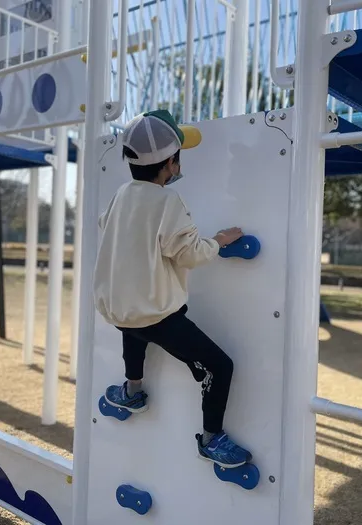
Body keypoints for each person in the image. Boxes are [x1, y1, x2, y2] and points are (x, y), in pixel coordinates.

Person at [93, 110, 253, 469]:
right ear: (170, 163)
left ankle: (132, 391)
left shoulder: (122, 195)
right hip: (157, 316)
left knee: (132, 331)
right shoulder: (167, 202)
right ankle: (211, 439)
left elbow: (108, 224)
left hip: (117, 308)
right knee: (220, 366)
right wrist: (219, 240)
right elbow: (189, 254)